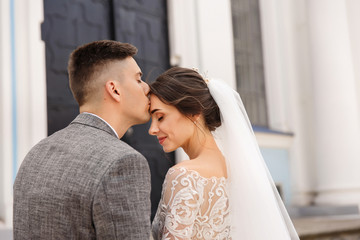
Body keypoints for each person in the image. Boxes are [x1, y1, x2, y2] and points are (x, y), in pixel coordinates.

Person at [13, 40, 152, 239]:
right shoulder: (123, 162)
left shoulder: (36, 153)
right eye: (138, 79)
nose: (147, 88)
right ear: (114, 90)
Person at [148, 67, 299, 239]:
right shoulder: (241, 171)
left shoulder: (183, 176)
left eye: (160, 117)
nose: (152, 130)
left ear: (194, 112)